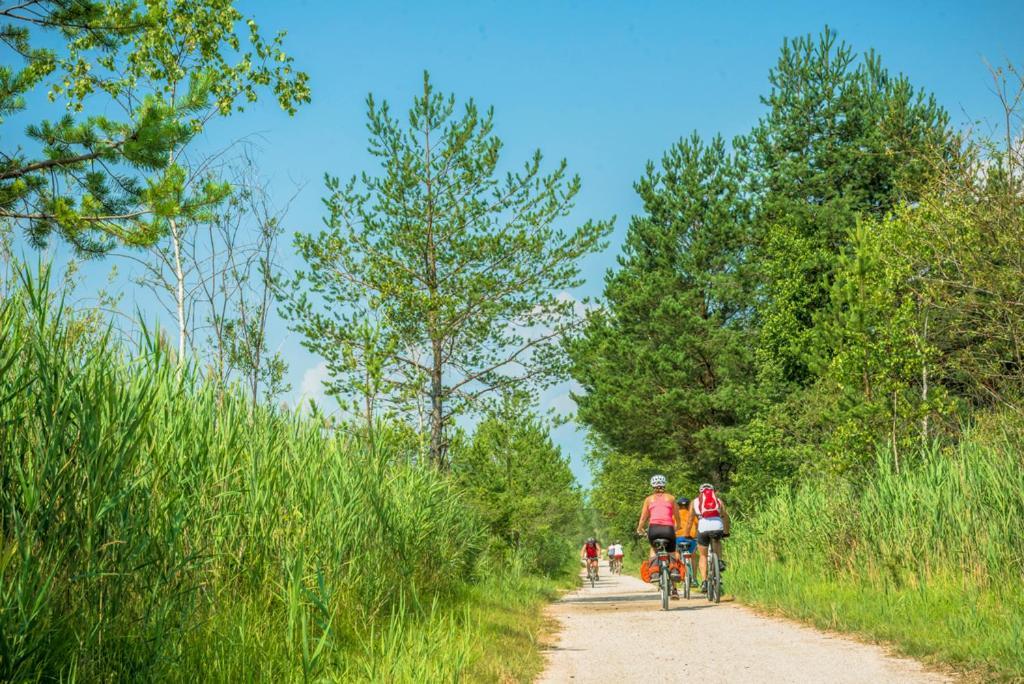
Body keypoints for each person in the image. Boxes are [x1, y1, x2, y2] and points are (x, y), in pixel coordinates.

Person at [635, 474, 682, 597]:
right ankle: (675, 573)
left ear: (652, 486)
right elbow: (677, 517)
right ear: (664, 485)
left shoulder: (649, 499)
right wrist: (677, 527)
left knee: (653, 549)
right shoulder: (671, 498)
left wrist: (640, 529)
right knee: (671, 552)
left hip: (654, 529)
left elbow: (643, 518)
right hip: (668, 530)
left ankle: (655, 572)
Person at [683, 483, 731, 594]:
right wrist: (726, 532)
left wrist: (686, 534)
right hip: (717, 526)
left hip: (703, 527)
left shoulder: (695, 502)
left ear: (700, 492)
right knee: (717, 541)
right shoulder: (718, 501)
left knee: (703, 555)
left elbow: (690, 520)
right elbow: (725, 517)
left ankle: (704, 581)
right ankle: (718, 561)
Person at [675, 496, 698, 587]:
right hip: (690, 539)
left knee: (676, 552)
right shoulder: (692, 514)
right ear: (689, 506)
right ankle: (694, 579)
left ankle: (676, 572)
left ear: (678, 506)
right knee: (693, 556)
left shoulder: (674, 515)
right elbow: (697, 525)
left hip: (678, 538)